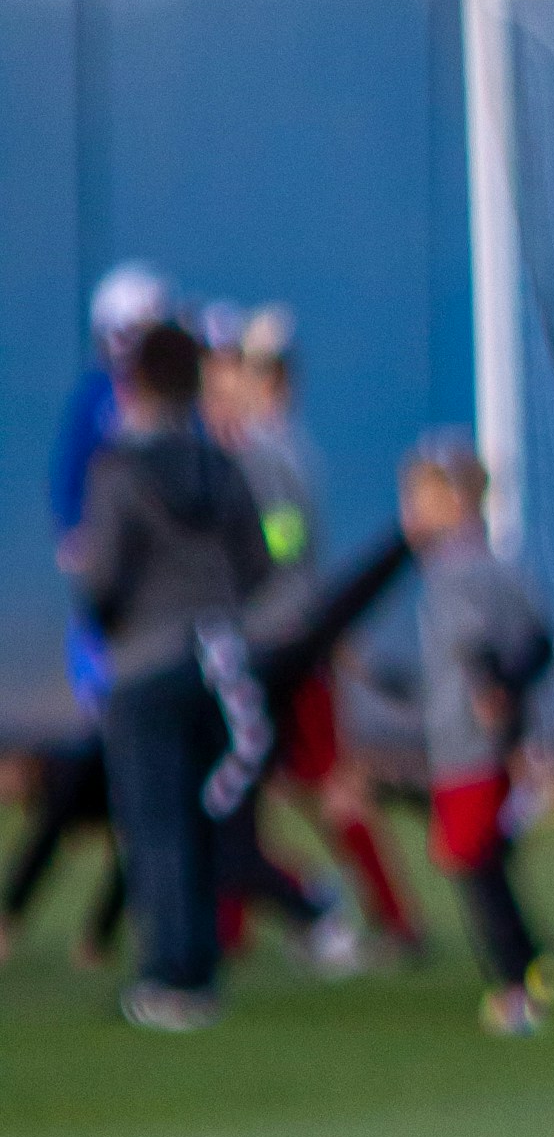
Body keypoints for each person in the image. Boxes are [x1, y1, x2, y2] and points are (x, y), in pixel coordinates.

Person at [62, 314, 273, 1029]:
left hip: (145, 659)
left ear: (135, 381)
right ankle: (201, 965)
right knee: (200, 814)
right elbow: (259, 559)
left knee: (152, 824)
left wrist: (110, 617)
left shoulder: (117, 470)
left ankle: (168, 975)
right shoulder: (221, 465)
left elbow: (102, 575)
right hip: (218, 656)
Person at [215, 307, 424, 960]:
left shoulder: (267, 450)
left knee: (317, 784)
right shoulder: (278, 446)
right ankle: (235, 925)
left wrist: (241, 562)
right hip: (281, 638)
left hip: (280, 643)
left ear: (265, 380)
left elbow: (285, 539)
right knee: (246, 787)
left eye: (237, 371)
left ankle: (388, 917)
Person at [1, 264, 167, 972]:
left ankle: (101, 930)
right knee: (107, 772)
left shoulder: (173, 415)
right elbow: (74, 505)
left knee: (147, 783)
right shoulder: (100, 403)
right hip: (120, 629)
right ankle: (31, 916)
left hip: (165, 628)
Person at [389, 437, 554, 1036]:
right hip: (499, 741)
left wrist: (492, 693)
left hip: (468, 744)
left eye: (422, 497)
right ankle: (534, 959)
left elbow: (475, 648)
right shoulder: (499, 565)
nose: (411, 510)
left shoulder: (452, 572)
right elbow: (541, 641)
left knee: (470, 859)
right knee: (487, 856)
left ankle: (515, 985)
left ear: (457, 501)